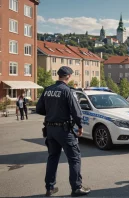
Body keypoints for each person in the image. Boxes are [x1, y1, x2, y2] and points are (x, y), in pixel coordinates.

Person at [36, 66, 91, 197]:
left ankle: (49, 188)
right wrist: (80, 126)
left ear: (58, 75)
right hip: (64, 130)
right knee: (74, 158)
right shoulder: (67, 91)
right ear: (68, 76)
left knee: (53, 157)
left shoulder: (48, 90)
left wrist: (51, 113)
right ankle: (76, 187)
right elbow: (76, 112)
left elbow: (39, 109)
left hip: (50, 129)